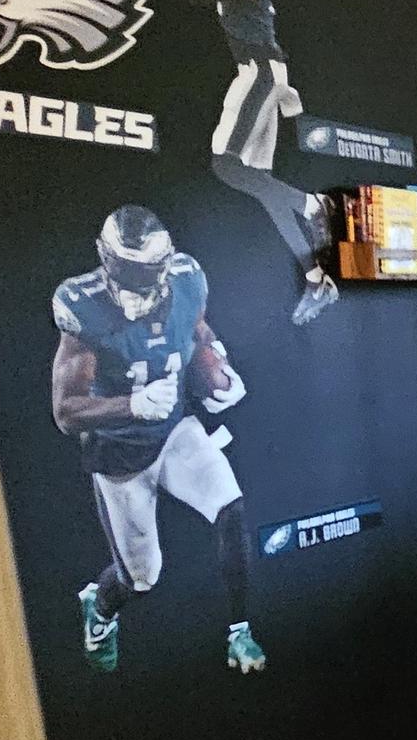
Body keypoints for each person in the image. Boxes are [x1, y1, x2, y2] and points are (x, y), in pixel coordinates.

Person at [49, 204, 268, 674]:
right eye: (126, 273)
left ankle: (239, 632)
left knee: (230, 506)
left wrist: (216, 367)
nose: (136, 288)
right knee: (142, 578)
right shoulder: (81, 304)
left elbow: (196, 328)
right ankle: (100, 609)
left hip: (172, 430)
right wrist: (131, 404)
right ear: (105, 259)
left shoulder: (188, 278)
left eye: (145, 273)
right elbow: (66, 412)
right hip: (119, 456)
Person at [173, 0, 339, 325]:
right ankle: (315, 280)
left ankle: (311, 204)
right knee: (263, 189)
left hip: (259, 70)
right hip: (264, 69)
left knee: (225, 166)